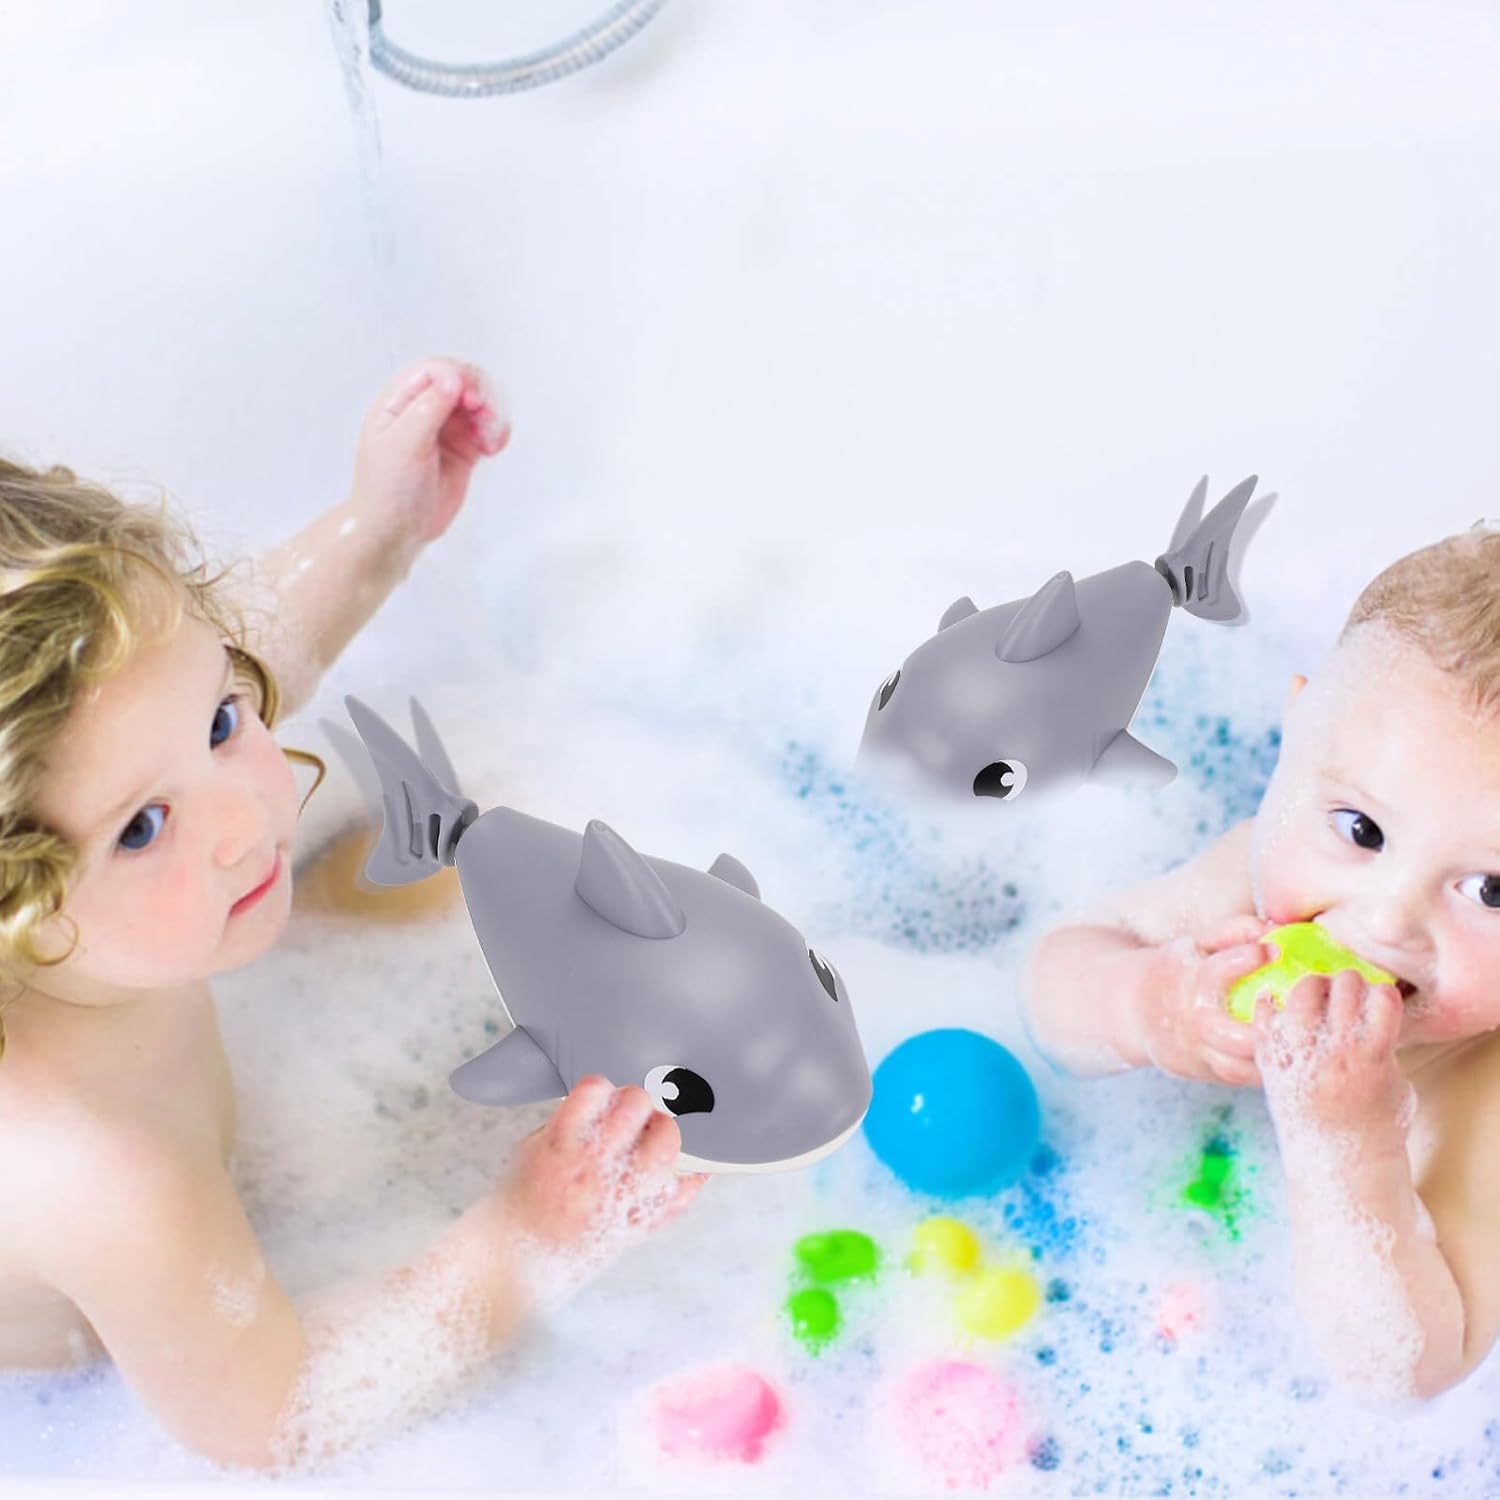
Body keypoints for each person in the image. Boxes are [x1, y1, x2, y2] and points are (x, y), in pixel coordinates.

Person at [0, 358, 706, 1468]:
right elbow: (276, 1413)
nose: (247, 814)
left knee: (447, 850)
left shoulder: (104, 814)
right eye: (143, 827)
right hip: (117, 1342)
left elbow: (250, 647)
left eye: (220, 722)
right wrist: (525, 1239)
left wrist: (379, 529)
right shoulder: (98, 1169)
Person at [1023, 521, 1500, 1403]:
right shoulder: (1246, 885)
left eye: (1490, 891)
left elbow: (1407, 1372)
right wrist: (1146, 1005)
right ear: (1295, 735)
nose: (1384, 918)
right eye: (1362, 830)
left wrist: (1347, 1143)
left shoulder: (1486, 1092)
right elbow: (1049, 992)